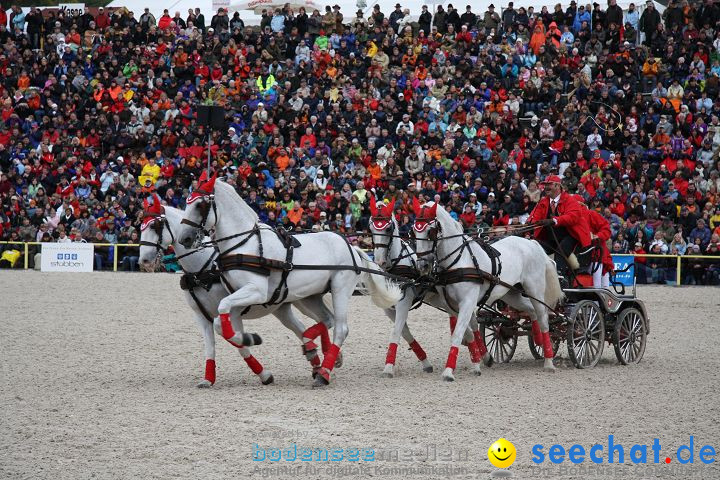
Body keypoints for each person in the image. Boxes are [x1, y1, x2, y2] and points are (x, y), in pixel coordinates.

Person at [527, 175, 591, 277]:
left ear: (557, 186)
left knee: (561, 251)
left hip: (571, 235)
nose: (546, 188)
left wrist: (554, 220)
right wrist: (529, 225)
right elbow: (534, 216)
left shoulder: (569, 200)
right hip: (551, 237)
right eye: (545, 185)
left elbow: (573, 216)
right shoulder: (543, 201)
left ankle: (560, 276)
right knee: (535, 249)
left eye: (549, 185)